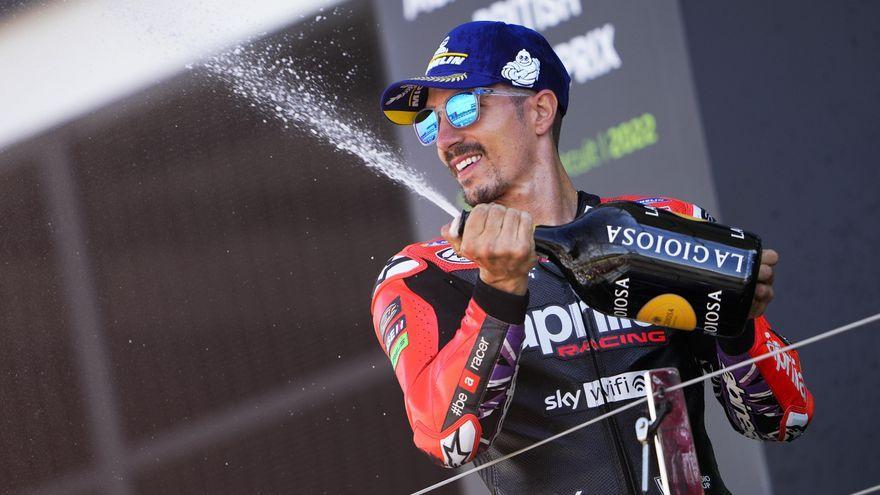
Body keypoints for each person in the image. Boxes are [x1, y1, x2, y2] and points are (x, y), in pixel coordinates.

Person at [371, 21, 814, 495]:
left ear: (540, 110)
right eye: (430, 122)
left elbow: (785, 419)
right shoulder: (424, 276)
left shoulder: (661, 228)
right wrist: (498, 291)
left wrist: (739, 324)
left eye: (462, 107)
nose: (444, 140)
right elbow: (445, 439)